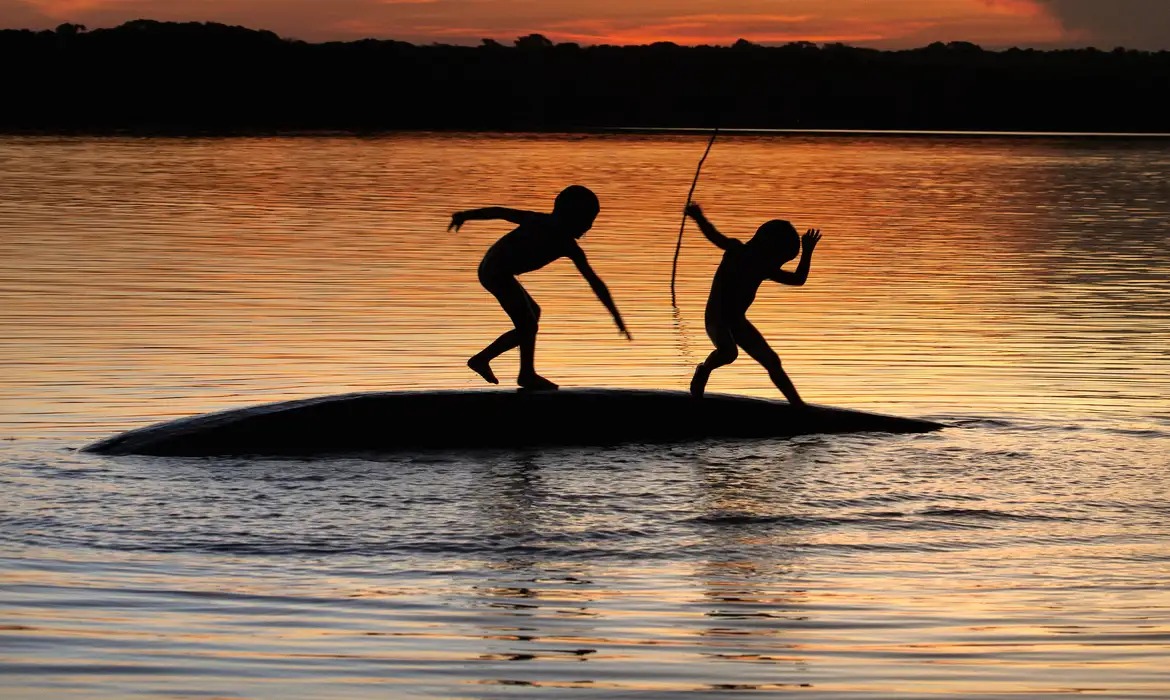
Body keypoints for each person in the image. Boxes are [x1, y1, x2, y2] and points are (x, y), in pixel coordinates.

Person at [448, 185, 631, 391]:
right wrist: (464, 215)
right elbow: (500, 212)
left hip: (500, 272)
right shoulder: (538, 222)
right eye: (587, 221)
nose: (588, 227)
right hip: (494, 271)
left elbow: (595, 282)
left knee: (532, 314)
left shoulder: (568, 246)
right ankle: (491, 362)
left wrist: (615, 314)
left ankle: (523, 372)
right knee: (528, 325)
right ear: (571, 216)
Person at [684, 202, 821, 404]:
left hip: (737, 321)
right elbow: (714, 236)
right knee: (728, 352)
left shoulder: (763, 267)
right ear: (769, 248)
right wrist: (699, 218)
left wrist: (808, 251)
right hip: (717, 317)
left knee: (772, 361)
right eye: (781, 259)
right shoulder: (737, 251)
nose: (779, 265)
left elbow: (798, 280)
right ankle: (703, 370)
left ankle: (798, 405)